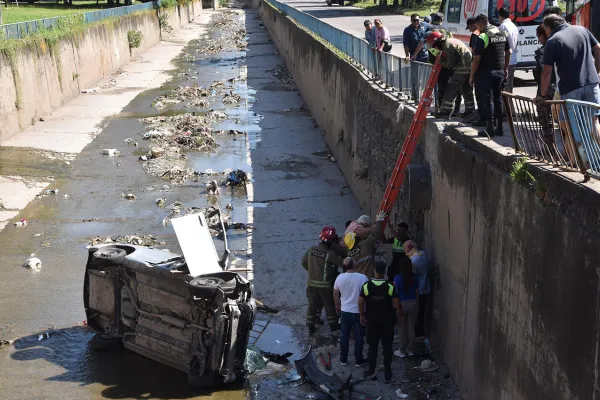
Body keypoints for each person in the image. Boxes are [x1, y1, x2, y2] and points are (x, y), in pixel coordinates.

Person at [538, 14, 600, 164]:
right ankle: (593, 161)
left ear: (548, 27)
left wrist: (542, 95)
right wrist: (596, 71)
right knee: (593, 122)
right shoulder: (582, 30)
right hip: (592, 84)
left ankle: (578, 164)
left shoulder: (553, 41)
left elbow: (547, 73)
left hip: (571, 89)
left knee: (570, 127)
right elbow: (598, 48)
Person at [359, 261, 402, 383]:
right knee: (387, 348)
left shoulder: (367, 286)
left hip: (372, 321)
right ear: (385, 272)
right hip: (387, 322)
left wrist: (362, 314)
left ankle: (371, 372)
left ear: (374, 271)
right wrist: (400, 315)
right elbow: (397, 303)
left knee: (372, 347)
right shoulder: (389, 286)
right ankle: (388, 374)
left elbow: (361, 301)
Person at [469, 14, 511, 137]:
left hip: (485, 73)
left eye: (477, 26)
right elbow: (508, 52)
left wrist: (471, 75)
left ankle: (489, 128)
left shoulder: (483, 36)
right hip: (499, 71)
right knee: (498, 100)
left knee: (488, 101)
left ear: (480, 24)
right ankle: (499, 128)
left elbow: (476, 59)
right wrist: (505, 68)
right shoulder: (503, 33)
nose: (477, 28)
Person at [302, 226, 344, 335]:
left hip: (311, 283)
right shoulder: (330, 254)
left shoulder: (311, 249)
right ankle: (333, 325)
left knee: (312, 305)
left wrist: (311, 271)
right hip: (325, 285)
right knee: (329, 304)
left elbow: (304, 262)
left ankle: (311, 325)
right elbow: (344, 263)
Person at [426, 32, 475, 119]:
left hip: (462, 67)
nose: (434, 47)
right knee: (466, 89)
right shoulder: (449, 42)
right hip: (468, 66)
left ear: (437, 42)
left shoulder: (447, 46)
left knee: (451, 88)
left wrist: (440, 60)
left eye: (433, 45)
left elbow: (449, 64)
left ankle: (445, 112)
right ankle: (470, 110)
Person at [333, 257, 369, 366]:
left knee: (344, 336)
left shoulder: (340, 278)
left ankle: (343, 359)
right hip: (359, 312)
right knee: (359, 337)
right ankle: (359, 360)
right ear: (354, 265)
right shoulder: (362, 277)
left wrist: (337, 305)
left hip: (345, 311)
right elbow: (367, 293)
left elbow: (335, 293)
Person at [534, 24, 556, 147]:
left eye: (538, 36)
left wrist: (542, 94)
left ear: (542, 35)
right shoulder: (556, 47)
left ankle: (549, 147)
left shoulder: (544, 51)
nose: (538, 39)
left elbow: (544, 71)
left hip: (546, 87)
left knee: (545, 118)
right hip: (556, 86)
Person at [344, 211, 386, 277]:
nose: (357, 235)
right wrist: (378, 221)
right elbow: (375, 233)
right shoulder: (364, 244)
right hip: (367, 275)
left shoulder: (348, 252)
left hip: (357, 276)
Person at [393, 253, 419, 358]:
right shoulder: (415, 278)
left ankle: (402, 350)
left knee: (402, 327)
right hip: (413, 303)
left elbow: (394, 293)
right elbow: (417, 292)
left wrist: (394, 305)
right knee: (411, 327)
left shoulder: (398, 278)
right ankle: (410, 349)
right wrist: (417, 304)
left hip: (401, 305)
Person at [404, 240, 430, 339]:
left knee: (418, 312)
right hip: (425, 286)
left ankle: (418, 333)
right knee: (422, 311)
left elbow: (412, 275)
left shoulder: (414, 260)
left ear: (409, 248)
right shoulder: (423, 254)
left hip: (419, 289)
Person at [403, 14, 431, 100]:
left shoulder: (425, 26)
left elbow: (431, 35)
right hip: (415, 57)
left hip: (425, 55)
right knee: (415, 77)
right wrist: (407, 55)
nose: (416, 22)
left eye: (418, 20)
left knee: (427, 76)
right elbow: (406, 44)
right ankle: (415, 95)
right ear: (411, 21)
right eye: (414, 20)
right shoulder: (407, 30)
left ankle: (427, 95)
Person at [466, 17, 484, 126]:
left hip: (479, 68)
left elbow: (475, 53)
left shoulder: (475, 35)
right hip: (485, 66)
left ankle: (481, 116)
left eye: (469, 27)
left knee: (479, 93)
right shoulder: (483, 33)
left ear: (474, 25)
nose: (469, 30)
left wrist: (472, 73)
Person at [498, 6, 518, 93]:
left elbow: (502, 45)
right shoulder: (513, 25)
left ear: (499, 16)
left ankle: (505, 106)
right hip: (513, 58)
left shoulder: (502, 27)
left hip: (505, 59)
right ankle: (509, 105)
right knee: (509, 86)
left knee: (503, 87)